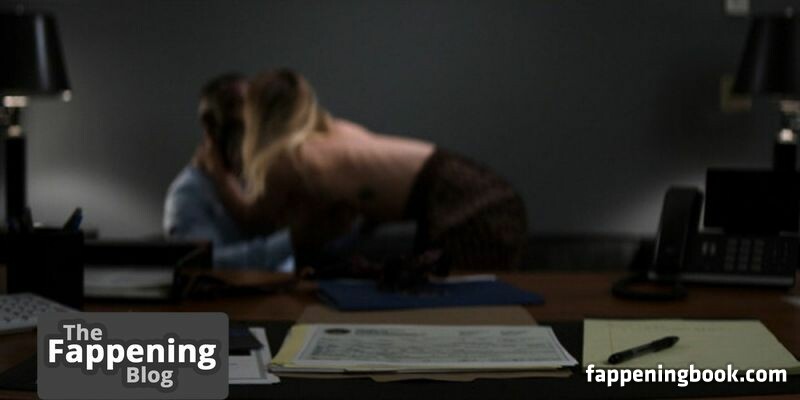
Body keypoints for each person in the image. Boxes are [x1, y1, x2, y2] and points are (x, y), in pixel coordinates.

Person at [198, 68, 527, 276]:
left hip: (468, 203)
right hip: (477, 188)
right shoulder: (337, 132)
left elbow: (253, 219)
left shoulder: (289, 158)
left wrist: (217, 171)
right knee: (458, 313)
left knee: (469, 316)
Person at [163, 73, 293, 271]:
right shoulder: (188, 193)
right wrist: (291, 243)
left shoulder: (270, 177)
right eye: (235, 105)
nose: (250, 118)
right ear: (209, 123)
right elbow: (209, 263)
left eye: (254, 107)